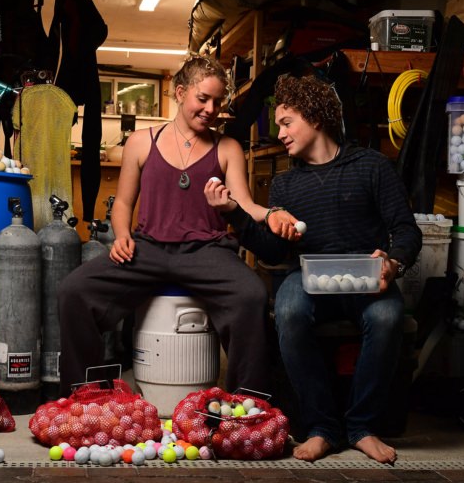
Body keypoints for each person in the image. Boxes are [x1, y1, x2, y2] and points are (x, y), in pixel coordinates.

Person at [206, 73, 422, 465]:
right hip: (306, 278)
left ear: (316, 117)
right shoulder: (286, 186)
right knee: (288, 310)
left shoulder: (372, 166)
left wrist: (392, 261)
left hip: (366, 280)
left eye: (287, 123)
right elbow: (273, 251)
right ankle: (322, 426)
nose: (281, 134)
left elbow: (406, 230)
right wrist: (235, 215)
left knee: (389, 315)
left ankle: (361, 427)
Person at [56, 55, 276, 398]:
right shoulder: (142, 142)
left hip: (208, 251)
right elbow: (124, 203)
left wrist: (274, 214)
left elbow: (245, 205)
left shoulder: (228, 147)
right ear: (180, 92)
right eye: (202, 99)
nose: (210, 109)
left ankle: (248, 406)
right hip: (149, 249)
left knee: (252, 296)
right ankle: (83, 396)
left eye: (217, 102)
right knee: (74, 292)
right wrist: (122, 236)